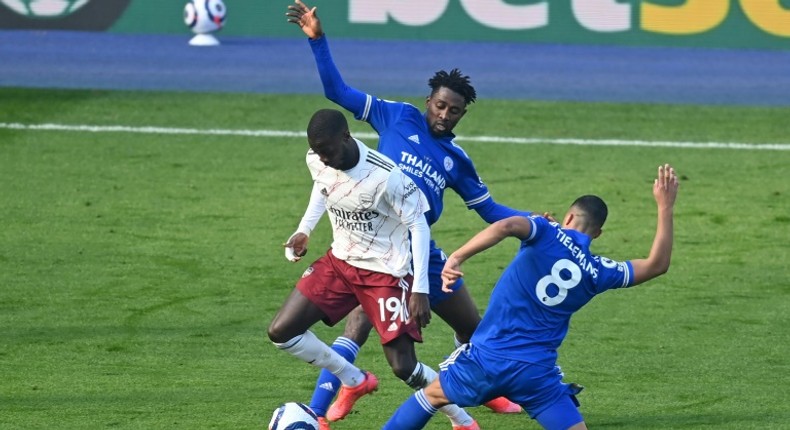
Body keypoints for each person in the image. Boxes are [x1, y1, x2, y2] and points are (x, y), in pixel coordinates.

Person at [286, 1, 525, 425]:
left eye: (453, 110)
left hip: (422, 252)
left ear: (462, 114)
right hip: (373, 244)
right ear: (428, 100)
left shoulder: (457, 160)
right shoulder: (396, 116)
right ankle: (321, 409)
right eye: (439, 105)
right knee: (358, 325)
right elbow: (337, 94)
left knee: (475, 330)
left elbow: (489, 210)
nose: (443, 114)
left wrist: (534, 223)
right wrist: (318, 41)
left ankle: (481, 391)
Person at [382, 164, 680, 430]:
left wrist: (457, 257)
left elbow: (506, 225)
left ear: (569, 216)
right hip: (535, 374)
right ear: (597, 234)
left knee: (430, 396)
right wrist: (665, 207)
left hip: (488, 359)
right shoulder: (598, 271)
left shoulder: (546, 231)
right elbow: (657, 265)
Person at [268, 109, 479, 430]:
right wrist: (304, 230)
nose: (323, 159)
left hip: (385, 274)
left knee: (403, 367)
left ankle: (461, 420)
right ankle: (353, 379)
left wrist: (420, 288)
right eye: (318, 152)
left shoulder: (388, 177)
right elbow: (322, 185)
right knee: (281, 332)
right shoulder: (318, 158)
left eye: (329, 151)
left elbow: (419, 228)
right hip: (340, 263)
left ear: (347, 137)